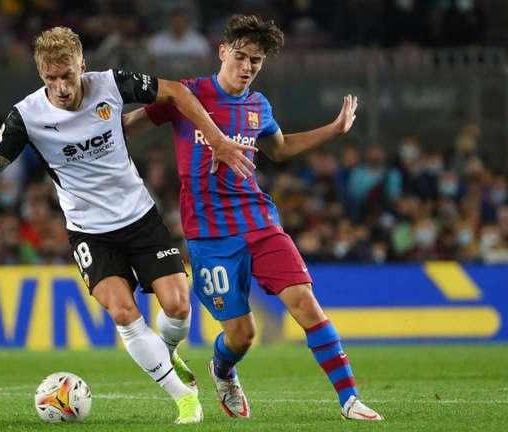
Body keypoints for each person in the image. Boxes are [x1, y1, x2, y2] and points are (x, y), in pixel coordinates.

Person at [0, 26, 255, 425]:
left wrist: (216, 139)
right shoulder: (26, 115)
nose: (60, 87)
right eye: (50, 79)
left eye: (67, 76)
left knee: (179, 307)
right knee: (124, 312)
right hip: (89, 231)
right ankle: (184, 399)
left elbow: (178, 92)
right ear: (41, 74)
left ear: (83, 66)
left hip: (139, 217)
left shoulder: (110, 85)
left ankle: (167, 351)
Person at [122, 15, 383, 421]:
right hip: (209, 236)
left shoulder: (258, 106)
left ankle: (349, 400)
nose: (247, 68)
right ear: (222, 51)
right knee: (242, 335)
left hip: (260, 223)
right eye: (240, 57)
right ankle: (222, 369)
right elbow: (127, 127)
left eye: (256, 62)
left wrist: (332, 130)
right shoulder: (186, 96)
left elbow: (277, 149)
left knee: (306, 304)